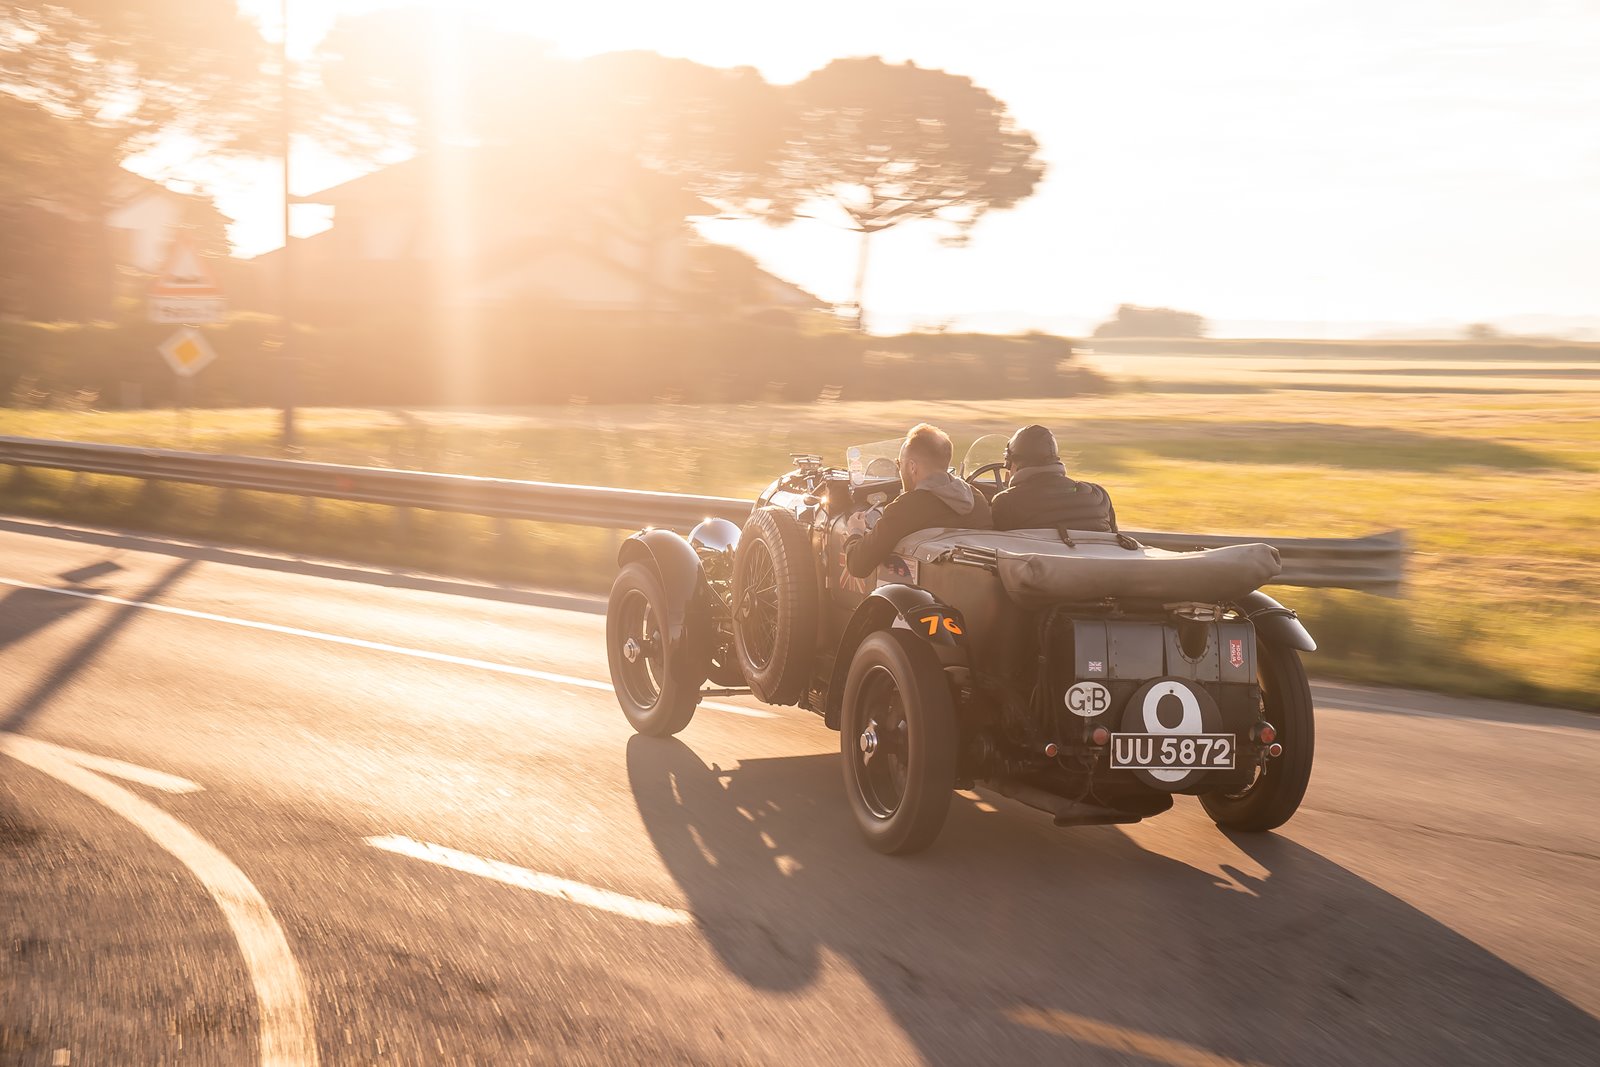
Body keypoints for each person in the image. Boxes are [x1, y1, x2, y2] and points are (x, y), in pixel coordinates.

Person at [844, 423, 992, 578]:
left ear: (912, 467)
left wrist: (855, 531)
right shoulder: (977, 499)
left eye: (899, 464)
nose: (899, 470)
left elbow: (858, 565)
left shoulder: (905, 508)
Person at [990, 424, 1119, 533]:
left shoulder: (1006, 503)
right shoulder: (1099, 495)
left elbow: (1000, 550)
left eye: (1007, 464)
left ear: (1015, 463)